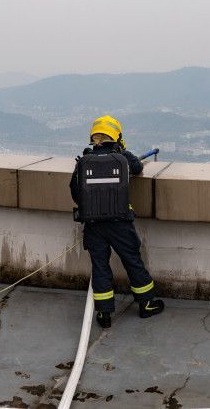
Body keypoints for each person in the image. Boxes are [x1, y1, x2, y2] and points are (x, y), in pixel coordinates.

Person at [69, 115, 164, 328]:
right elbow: (138, 168)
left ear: (93, 136)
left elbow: (75, 192)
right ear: (117, 136)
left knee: (100, 266)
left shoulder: (84, 161)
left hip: (93, 226)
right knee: (132, 260)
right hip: (120, 223)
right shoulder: (123, 158)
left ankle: (104, 314)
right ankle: (146, 304)